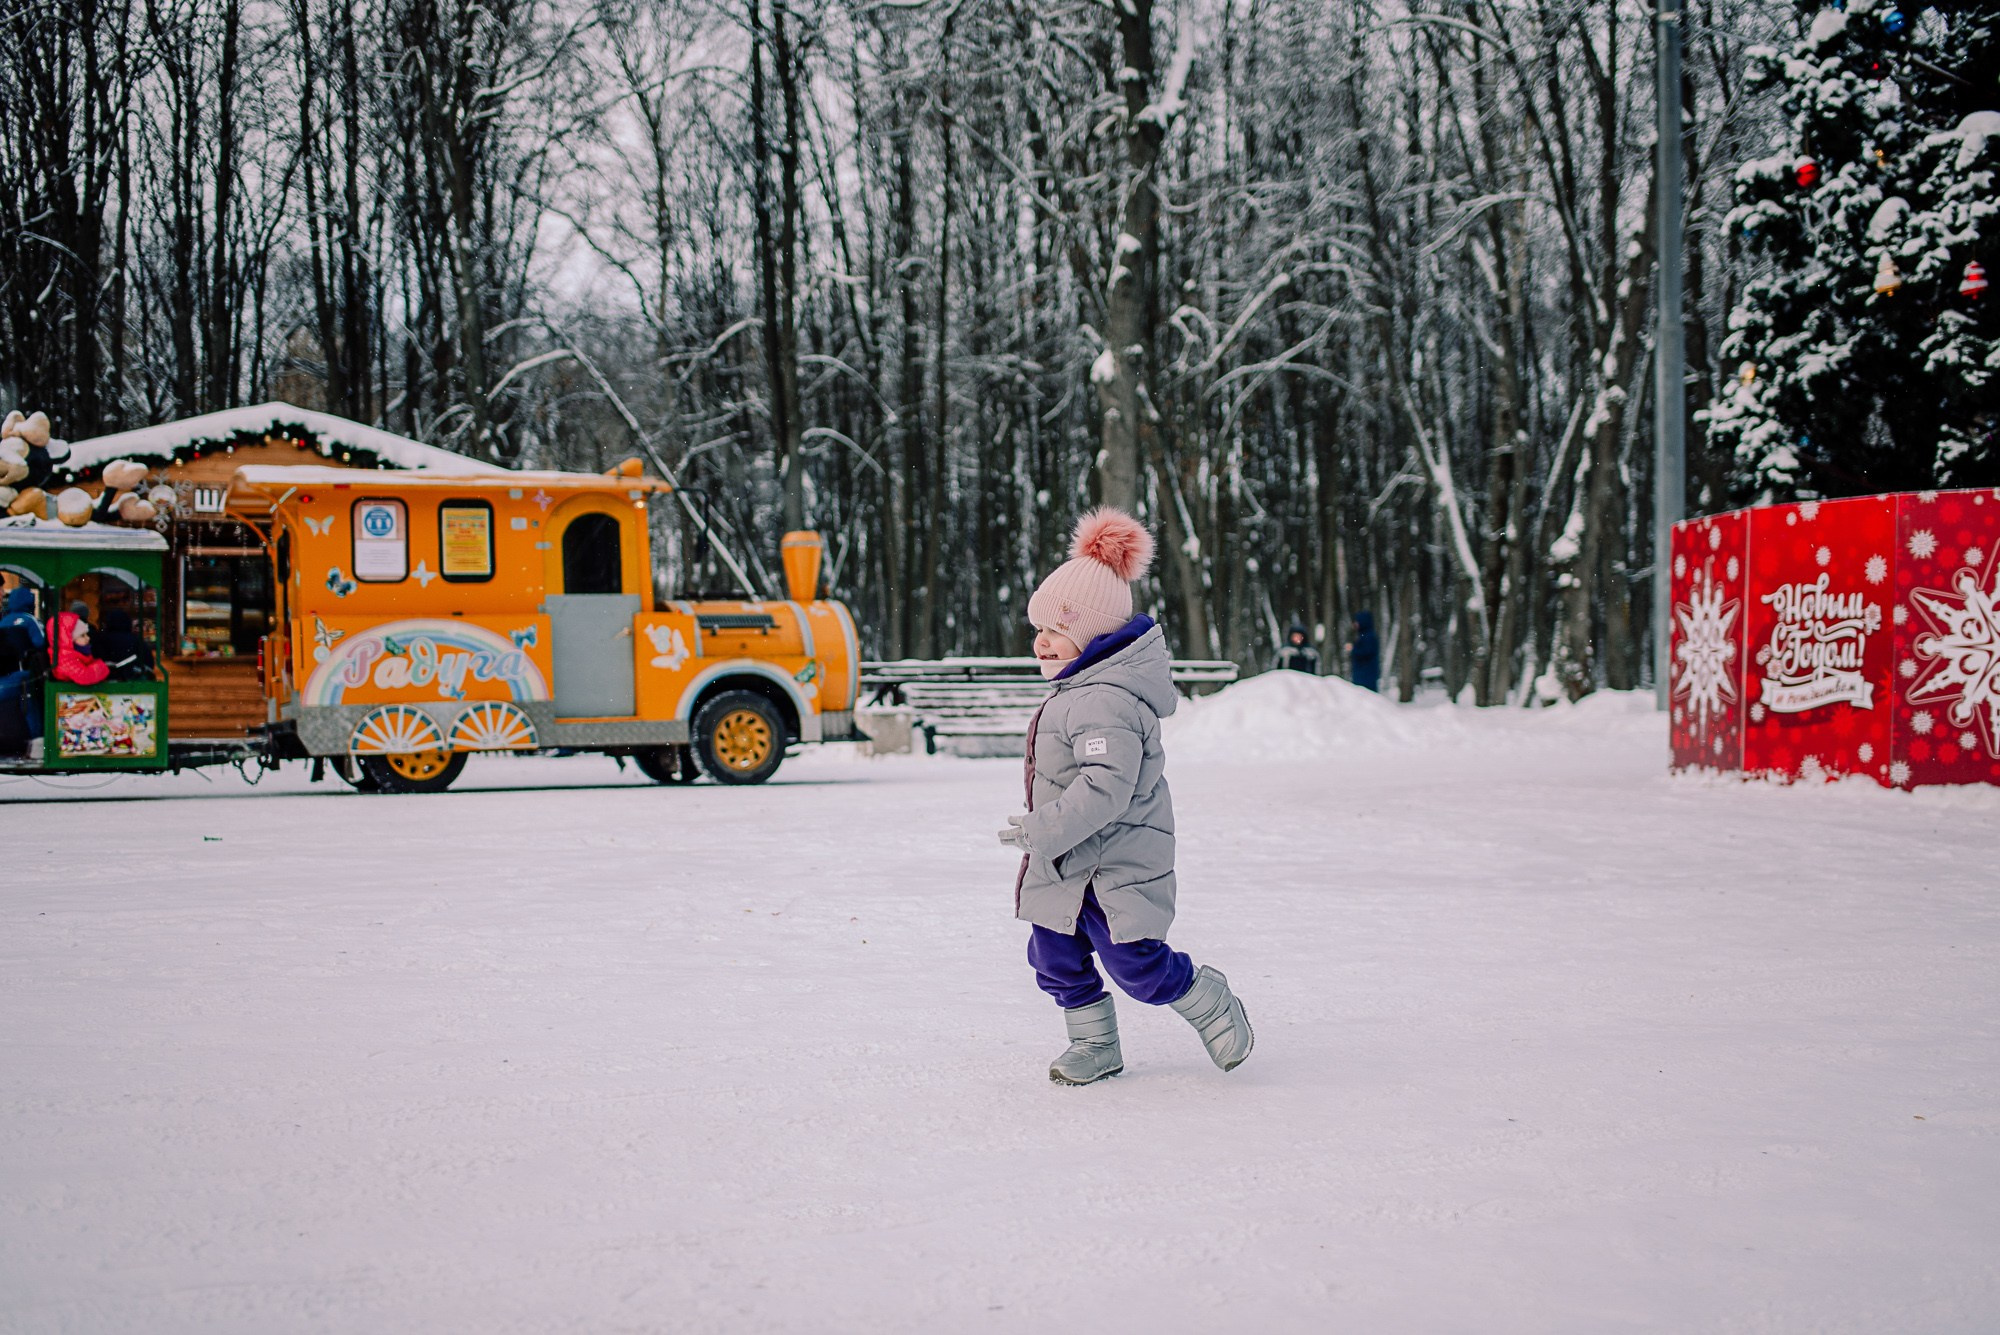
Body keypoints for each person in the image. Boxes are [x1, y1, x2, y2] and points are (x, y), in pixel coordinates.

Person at [998, 507, 1254, 1085]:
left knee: (1135, 965)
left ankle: (1204, 996)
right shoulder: (1078, 690)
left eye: (1056, 629)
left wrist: (1046, 830)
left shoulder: (1106, 699)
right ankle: (1095, 1046)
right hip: (1067, 864)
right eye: (1037, 629)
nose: (1041, 642)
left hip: (1113, 866)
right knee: (1054, 957)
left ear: (1092, 633)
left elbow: (1105, 788)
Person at [0, 586, 48, 760]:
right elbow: (40, 642)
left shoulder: (3, 621)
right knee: (32, 703)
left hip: (7, 674)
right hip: (26, 672)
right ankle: (36, 739)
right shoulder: (29, 620)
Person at [47, 603, 109, 686]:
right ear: (68, 640)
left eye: (87, 634)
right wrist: (102, 666)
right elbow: (85, 677)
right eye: (82, 635)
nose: (88, 638)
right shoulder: (65, 657)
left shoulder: (75, 654)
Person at [94, 607, 156, 681]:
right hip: (133, 682)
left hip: (106, 681)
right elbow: (149, 662)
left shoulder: (101, 640)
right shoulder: (136, 640)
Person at [1347, 609, 1380, 693]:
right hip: (1364, 672)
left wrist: (1353, 649)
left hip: (1366, 673)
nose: (1355, 624)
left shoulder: (1368, 636)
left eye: (1357, 622)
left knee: (1366, 694)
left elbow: (1366, 652)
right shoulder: (1365, 635)